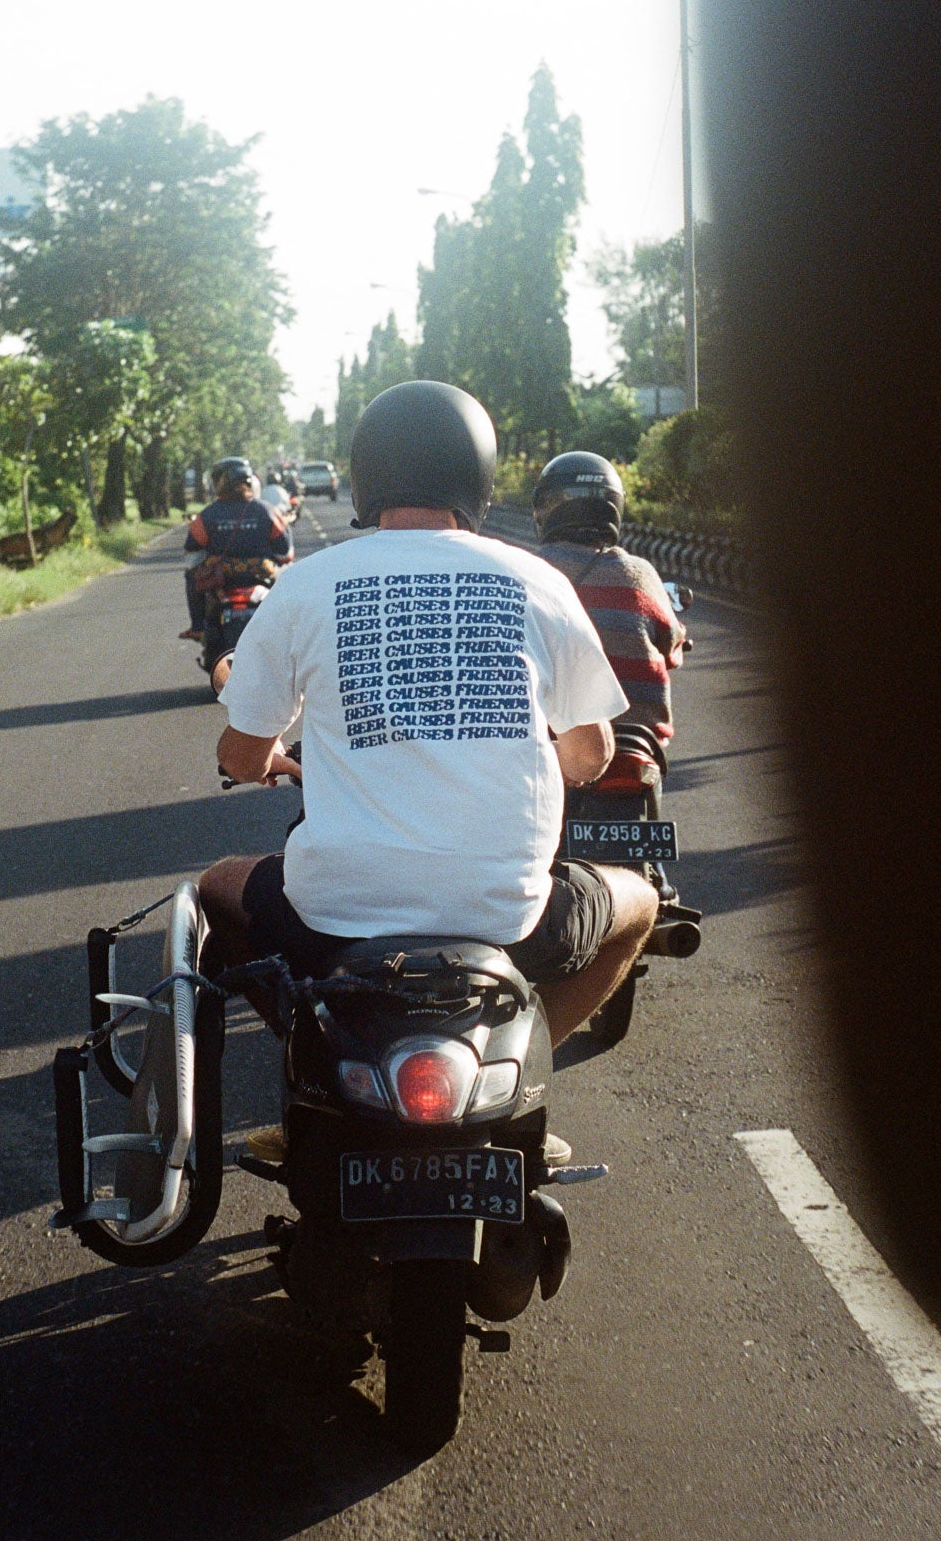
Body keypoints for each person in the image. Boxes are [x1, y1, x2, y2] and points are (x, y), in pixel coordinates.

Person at [198, 381, 659, 1068]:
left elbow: (240, 759)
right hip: (513, 916)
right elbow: (588, 756)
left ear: (362, 479)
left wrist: (267, 756)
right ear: (479, 474)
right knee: (642, 903)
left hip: (332, 917)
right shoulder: (536, 580)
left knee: (215, 885)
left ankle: (314, 1057)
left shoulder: (306, 585)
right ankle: (525, 1072)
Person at [531, 451, 686, 792]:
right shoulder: (640, 573)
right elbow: (670, 640)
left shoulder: (528, 570)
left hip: (560, 743)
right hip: (639, 743)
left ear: (545, 509)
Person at [179, 456, 293, 645]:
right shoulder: (268, 511)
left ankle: (197, 627)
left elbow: (192, 560)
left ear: (220, 483)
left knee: (192, 576)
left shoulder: (206, 516)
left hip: (221, 580)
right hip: (263, 576)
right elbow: (285, 554)